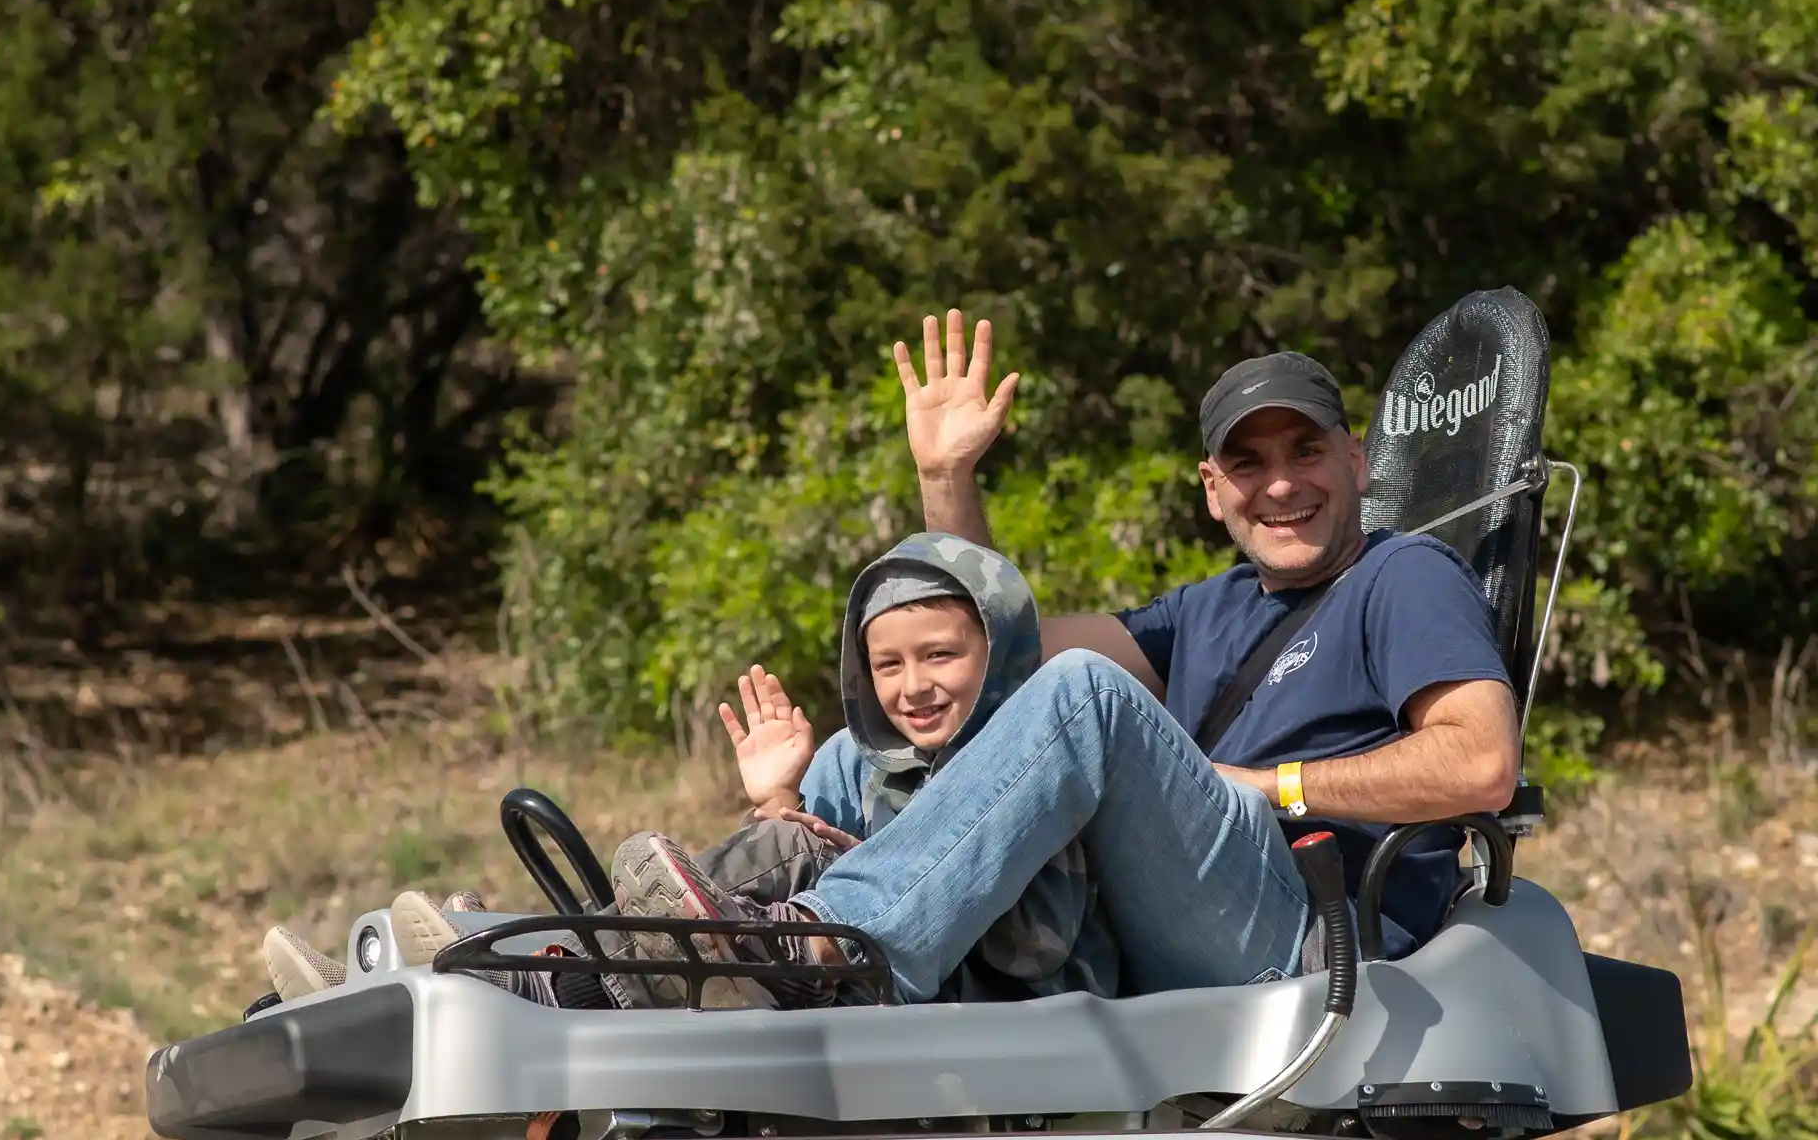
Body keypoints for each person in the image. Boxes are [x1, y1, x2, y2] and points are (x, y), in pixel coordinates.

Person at [606, 311, 1520, 1000]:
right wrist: (944, 478)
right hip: (1185, 905)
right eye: (1248, 463)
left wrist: (1272, 786)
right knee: (870, 741)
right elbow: (994, 656)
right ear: (1212, 490)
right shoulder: (1211, 607)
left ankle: (825, 945)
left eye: (1305, 451)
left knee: (1085, 693)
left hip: (1312, 929)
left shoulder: (1405, 576)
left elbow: (1481, 762)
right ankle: (615, 955)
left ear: (1356, 462)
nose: (1280, 483)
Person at [260, 529, 1113, 1007]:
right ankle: (428, 983)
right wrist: (781, 795)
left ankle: (526, 965)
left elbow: (1037, 948)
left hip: (970, 1001)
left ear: (996, 653)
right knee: (773, 848)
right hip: (827, 982)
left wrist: (833, 852)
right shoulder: (857, 762)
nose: (914, 687)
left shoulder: (1028, 770)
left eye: (942, 656)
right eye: (887, 666)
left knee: (787, 855)